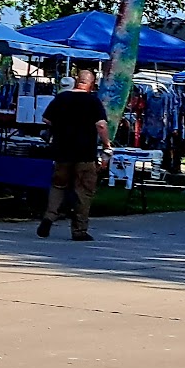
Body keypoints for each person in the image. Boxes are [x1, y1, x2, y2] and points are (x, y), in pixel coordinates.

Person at [38, 68, 112, 242]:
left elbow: (46, 119)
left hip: (62, 151)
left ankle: (49, 216)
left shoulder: (61, 98)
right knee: (83, 191)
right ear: (91, 84)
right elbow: (101, 126)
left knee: (58, 186)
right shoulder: (93, 102)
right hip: (85, 154)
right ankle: (79, 230)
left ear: (77, 81)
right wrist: (107, 144)